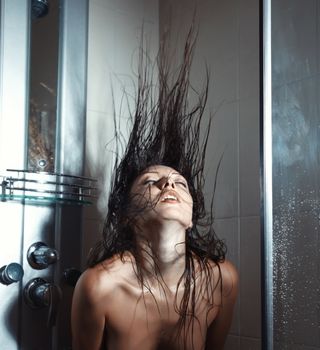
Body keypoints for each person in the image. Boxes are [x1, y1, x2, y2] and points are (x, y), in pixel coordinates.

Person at [71, 27, 238, 350]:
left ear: (190, 216)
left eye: (180, 183)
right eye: (150, 182)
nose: (167, 184)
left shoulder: (222, 280)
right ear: (125, 217)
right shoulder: (98, 286)